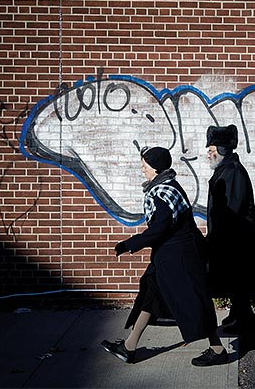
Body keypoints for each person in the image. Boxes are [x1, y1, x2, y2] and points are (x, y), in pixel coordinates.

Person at [101, 146, 227, 367]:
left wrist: (128, 245)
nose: (142, 170)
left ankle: (217, 350)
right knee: (151, 296)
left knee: (194, 303)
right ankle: (129, 347)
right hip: (169, 257)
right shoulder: (165, 187)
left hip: (179, 258)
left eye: (144, 165)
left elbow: (160, 228)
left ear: (156, 167)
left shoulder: (163, 192)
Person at [205, 125, 255, 337]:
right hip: (230, 239)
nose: (208, 154)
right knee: (234, 283)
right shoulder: (226, 169)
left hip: (235, 241)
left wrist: (217, 237)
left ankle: (246, 324)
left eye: (212, 149)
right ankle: (237, 314)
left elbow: (233, 209)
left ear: (222, 149)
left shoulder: (233, 172)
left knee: (237, 282)